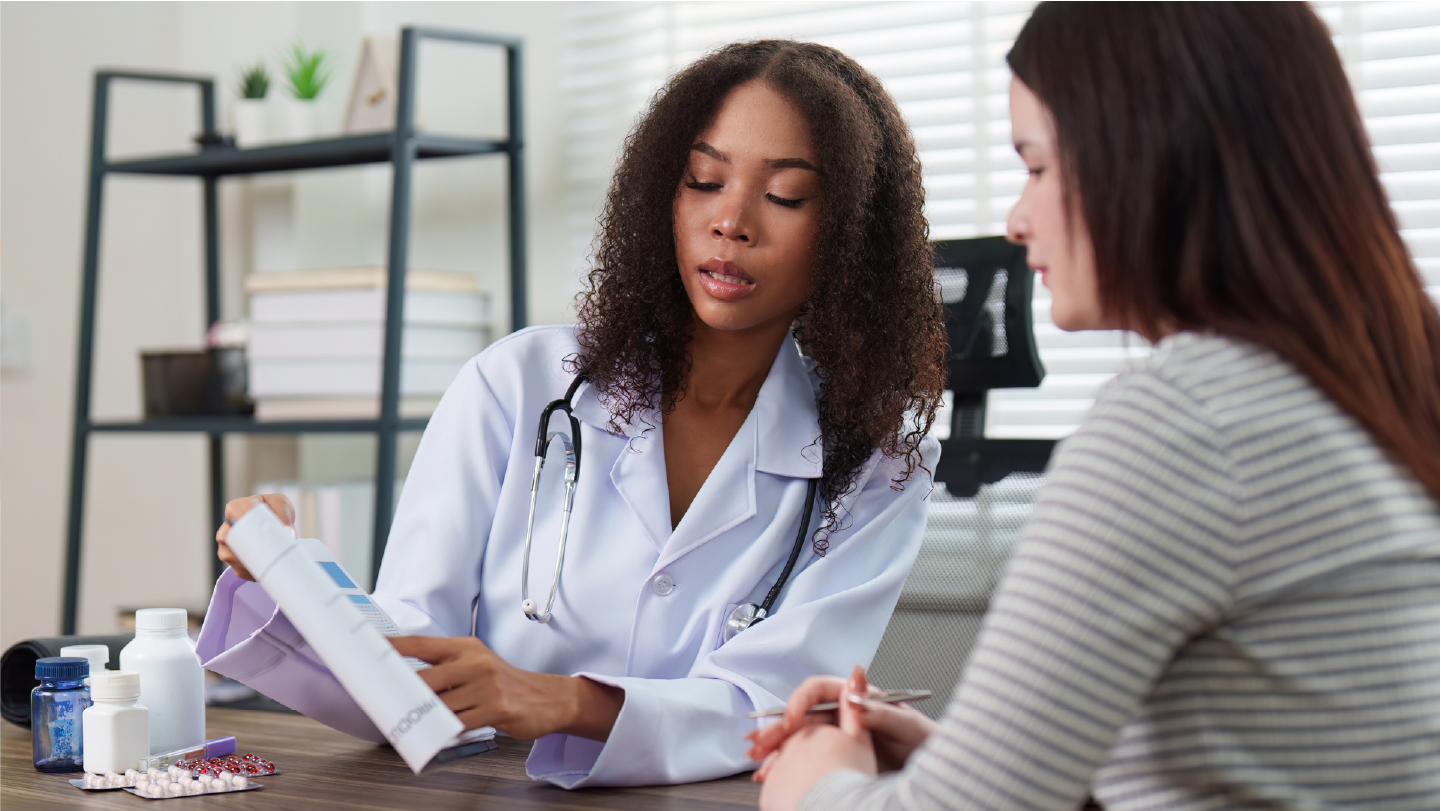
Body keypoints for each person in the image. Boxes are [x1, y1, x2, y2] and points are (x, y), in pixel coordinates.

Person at [198, 40, 948, 788]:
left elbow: (776, 709)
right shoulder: (518, 384)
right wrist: (294, 581)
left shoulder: (875, 464)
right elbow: (408, 666)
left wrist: (564, 702)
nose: (731, 221)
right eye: (703, 181)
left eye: (784, 194)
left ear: (849, 234)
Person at [748, 2, 1441, 809]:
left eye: (1036, 168)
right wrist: (965, 756)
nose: (1014, 219)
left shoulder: (1181, 421)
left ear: (1154, 160)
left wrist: (813, 780)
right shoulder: (1369, 389)